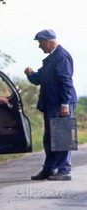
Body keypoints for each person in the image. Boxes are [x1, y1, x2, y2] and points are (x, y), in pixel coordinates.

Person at [24, 29, 77, 181]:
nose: (39, 46)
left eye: (40, 42)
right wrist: (29, 74)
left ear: (47, 41)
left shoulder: (62, 56)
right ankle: (49, 169)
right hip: (51, 103)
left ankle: (64, 170)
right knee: (49, 138)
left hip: (60, 103)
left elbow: (66, 81)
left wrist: (65, 103)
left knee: (61, 136)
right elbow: (38, 78)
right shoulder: (51, 58)